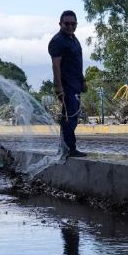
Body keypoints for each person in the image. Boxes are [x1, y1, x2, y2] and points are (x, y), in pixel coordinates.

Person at [49, 10, 88, 158]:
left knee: (72, 116)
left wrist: (82, 81)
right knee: (69, 117)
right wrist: (59, 87)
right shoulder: (58, 41)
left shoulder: (73, 39)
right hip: (66, 86)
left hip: (75, 84)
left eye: (73, 23)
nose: (70, 26)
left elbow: (77, 63)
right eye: (67, 23)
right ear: (60, 24)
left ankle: (65, 147)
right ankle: (69, 148)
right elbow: (56, 66)